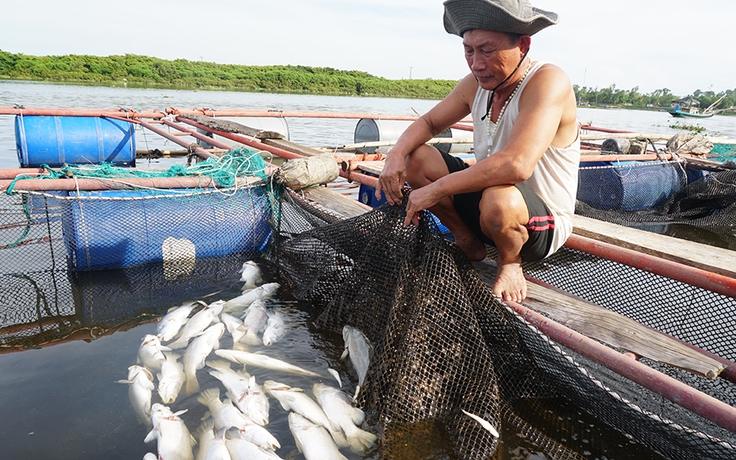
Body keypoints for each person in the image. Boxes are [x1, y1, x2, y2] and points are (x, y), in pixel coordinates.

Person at [375, 0, 580, 302]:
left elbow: (516, 166)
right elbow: (430, 122)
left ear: (522, 45)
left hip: (538, 219)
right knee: (416, 159)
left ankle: (509, 261)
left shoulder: (548, 81)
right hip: (488, 206)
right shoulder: (475, 85)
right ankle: (467, 239)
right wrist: (394, 156)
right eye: (469, 50)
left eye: (487, 50)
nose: (476, 63)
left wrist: (433, 192)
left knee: (500, 198)